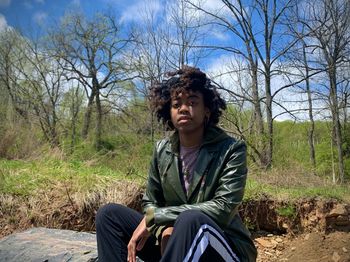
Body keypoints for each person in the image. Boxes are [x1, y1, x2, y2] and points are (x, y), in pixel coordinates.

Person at [96, 66, 257, 262]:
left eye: (192, 102)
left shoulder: (231, 149)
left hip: (224, 248)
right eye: (176, 103)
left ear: (206, 110)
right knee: (109, 215)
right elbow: (150, 202)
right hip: (176, 245)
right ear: (169, 111)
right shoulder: (161, 150)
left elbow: (222, 209)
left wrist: (158, 217)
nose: (183, 108)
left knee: (190, 219)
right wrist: (163, 228)